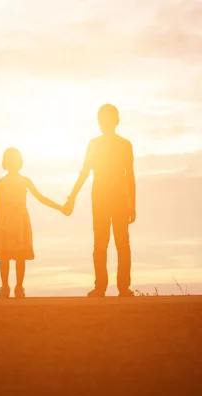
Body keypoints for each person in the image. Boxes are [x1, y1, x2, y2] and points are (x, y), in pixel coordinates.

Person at [62, 104, 136, 297]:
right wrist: (72, 197)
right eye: (102, 120)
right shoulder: (95, 145)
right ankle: (102, 287)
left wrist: (132, 204)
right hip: (101, 199)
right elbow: (85, 171)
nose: (104, 123)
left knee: (119, 243)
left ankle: (122, 287)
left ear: (115, 121)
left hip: (117, 199)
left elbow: (130, 176)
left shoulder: (124, 145)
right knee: (102, 243)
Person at [0, 147, 63, 299]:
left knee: (20, 255)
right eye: (10, 160)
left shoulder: (23, 181)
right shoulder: (0, 183)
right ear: (6, 163)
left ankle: (19, 287)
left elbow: (41, 198)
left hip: (19, 221)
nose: (13, 163)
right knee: (4, 255)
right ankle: (5, 287)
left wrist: (60, 207)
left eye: (15, 160)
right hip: (5, 221)